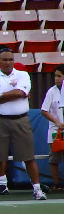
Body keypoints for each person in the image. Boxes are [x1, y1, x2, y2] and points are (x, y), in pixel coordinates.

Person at [0, 47, 47, 201]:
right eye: (4, 59)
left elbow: (22, 93)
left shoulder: (23, 75)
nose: (8, 62)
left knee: (28, 157)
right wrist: (13, 94)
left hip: (21, 119)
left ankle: (37, 189)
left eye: (10, 59)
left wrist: (1, 95)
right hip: (0, 120)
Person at [40, 64, 64, 192]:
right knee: (54, 157)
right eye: (55, 76)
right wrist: (57, 122)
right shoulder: (51, 91)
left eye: (59, 76)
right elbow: (44, 110)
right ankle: (56, 183)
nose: (57, 79)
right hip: (56, 130)